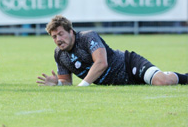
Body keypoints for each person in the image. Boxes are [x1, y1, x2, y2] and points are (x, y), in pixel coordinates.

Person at [37, 15, 188, 86]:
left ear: (71, 31)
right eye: (54, 37)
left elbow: (101, 63)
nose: (58, 39)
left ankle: (184, 77)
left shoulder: (87, 37)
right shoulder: (59, 54)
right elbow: (66, 82)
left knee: (161, 81)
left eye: (61, 34)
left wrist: (83, 86)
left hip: (128, 65)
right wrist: (58, 83)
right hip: (120, 83)